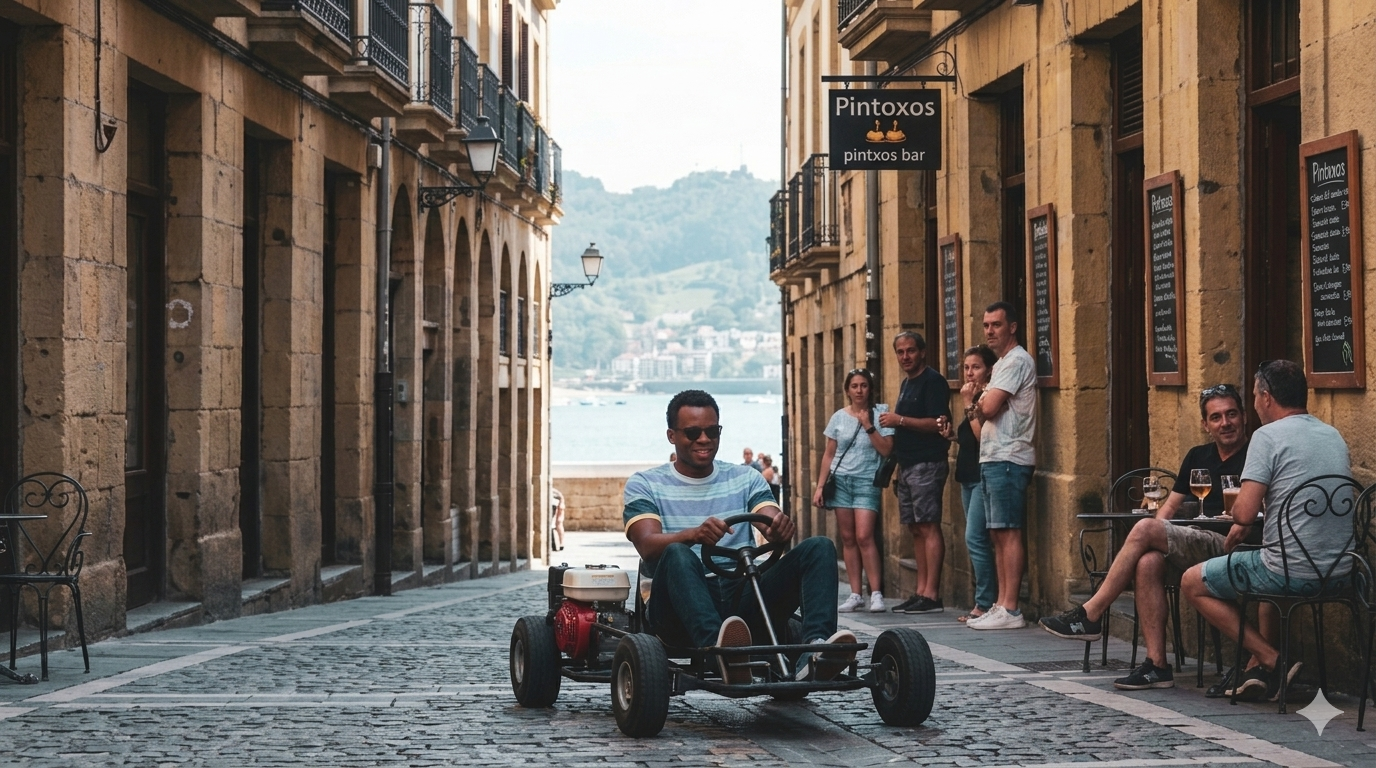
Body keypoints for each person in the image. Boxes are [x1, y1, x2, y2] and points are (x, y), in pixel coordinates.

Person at [1039, 384, 1274, 692]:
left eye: (1231, 414)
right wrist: (1155, 537)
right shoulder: (1198, 456)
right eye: (1216, 417)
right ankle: (1157, 666)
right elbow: (1169, 508)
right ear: (1205, 424)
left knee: (1146, 529)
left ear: (1244, 417)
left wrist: (1150, 532)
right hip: (1198, 544)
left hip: (1239, 546)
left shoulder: (1256, 452)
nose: (1225, 423)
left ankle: (1091, 613)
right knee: (1148, 561)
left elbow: (1266, 508)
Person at [624, 390, 856, 684]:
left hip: (743, 596)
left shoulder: (745, 478)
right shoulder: (645, 484)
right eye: (693, 432)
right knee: (677, 554)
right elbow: (647, 544)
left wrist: (778, 527)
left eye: (712, 431)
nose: (704, 440)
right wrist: (694, 535)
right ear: (672, 435)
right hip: (679, 605)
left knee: (819, 547)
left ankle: (816, 649)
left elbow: (768, 515)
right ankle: (722, 654)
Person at [1182, 360, 1353, 701]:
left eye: (1256, 396)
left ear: (1266, 397)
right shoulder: (1332, 433)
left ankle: (1272, 660)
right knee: (1265, 569)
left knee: (1192, 581)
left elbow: (1243, 512)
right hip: (1343, 571)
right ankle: (1257, 669)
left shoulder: (1267, 436)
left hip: (1290, 571)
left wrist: (1245, 521)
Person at [966, 302, 1037, 631]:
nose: (990, 331)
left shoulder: (1016, 361)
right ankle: (1000, 604)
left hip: (1010, 457)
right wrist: (979, 400)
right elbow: (982, 414)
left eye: (996, 325)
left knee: (1008, 532)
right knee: (997, 532)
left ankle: (1011, 608)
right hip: (994, 455)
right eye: (986, 325)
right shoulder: (1001, 365)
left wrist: (977, 400)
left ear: (1012, 327)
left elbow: (990, 407)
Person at [877, 332, 951, 614]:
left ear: (922, 352)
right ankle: (921, 590)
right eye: (900, 352)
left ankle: (932, 593)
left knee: (929, 525)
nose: (905, 357)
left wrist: (900, 420)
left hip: (927, 462)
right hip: (907, 465)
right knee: (916, 528)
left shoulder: (933, 381)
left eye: (910, 351)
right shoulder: (908, 383)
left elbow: (938, 423)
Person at [812, 368, 894, 613]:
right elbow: (829, 454)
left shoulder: (881, 415)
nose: (859, 390)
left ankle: (876, 593)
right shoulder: (838, 417)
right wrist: (819, 486)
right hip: (841, 482)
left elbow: (887, 450)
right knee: (848, 538)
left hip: (866, 482)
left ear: (870, 388)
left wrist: (869, 425)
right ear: (847, 390)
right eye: (855, 386)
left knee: (864, 536)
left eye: (864, 386)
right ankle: (856, 594)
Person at [939, 346, 999, 624]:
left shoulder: (986, 397)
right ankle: (985, 601)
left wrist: (967, 403)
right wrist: (951, 436)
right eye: (966, 367)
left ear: (988, 369)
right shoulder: (976, 396)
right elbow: (968, 438)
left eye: (975, 367)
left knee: (975, 539)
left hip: (981, 477)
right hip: (968, 477)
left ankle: (986, 602)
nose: (969, 373)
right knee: (976, 539)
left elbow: (982, 436)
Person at [550, 487, 566, 552]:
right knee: (555, 524)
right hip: (554, 503)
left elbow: (559, 496)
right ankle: (558, 544)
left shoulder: (554, 492)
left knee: (558, 522)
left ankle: (561, 543)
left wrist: (561, 504)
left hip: (555, 503)